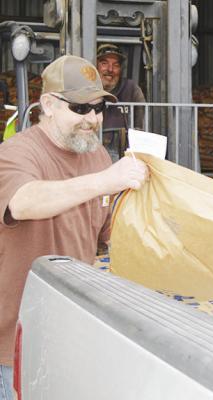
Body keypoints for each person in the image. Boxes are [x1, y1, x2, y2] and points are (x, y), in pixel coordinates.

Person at [0, 54, 149, 398]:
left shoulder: (95, 157)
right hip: (20, 341)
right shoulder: (16, 153)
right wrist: (105, 181)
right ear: (48, 105)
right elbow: (23, 202)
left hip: (72, 332)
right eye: (80, 109)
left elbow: (110, 230)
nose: (92, 119)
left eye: (97, 109)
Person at [96, 44, 146, 161]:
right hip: (91, 153)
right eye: (104, 63)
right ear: (95, 66)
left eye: (116, 65)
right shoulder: (86, 89)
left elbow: (141, 123)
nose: (110, 69)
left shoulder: (131, 89)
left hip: (124, 154)